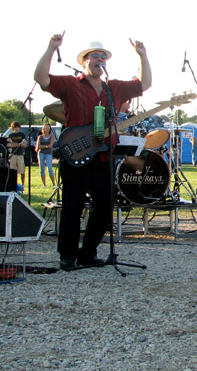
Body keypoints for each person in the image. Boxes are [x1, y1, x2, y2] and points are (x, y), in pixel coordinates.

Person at [34, 33, 152, 271]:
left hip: (103, 156)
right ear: (84, 61)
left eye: (103, 57)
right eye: (95, 56)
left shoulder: (113, 88)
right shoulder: (70, 84)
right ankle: (67, 255)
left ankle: (88, 253)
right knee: (72, 207)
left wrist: (143, 55)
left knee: (105, 207)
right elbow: (41, 78)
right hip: (75, 155)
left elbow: (145, 84)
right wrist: (51, 48)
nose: (100, 60)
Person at [35, 123, 57, 188]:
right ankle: (44, 184)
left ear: (50, 129)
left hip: (48, 153)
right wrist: (46, 146)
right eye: (45, 128)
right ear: (43, 129)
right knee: (42, 169)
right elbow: (38, 146)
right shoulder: (40, 137)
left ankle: (54, 184)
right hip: (41, 153)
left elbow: (50, 146)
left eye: (48, 128)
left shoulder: (52, 136)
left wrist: (43, 146)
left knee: (49, 168)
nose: (46, 129)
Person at [7, 121, 27, 186]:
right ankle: (13, 185)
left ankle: (22, 185)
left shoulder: (22, 135)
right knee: (12, 171)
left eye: (18, 127)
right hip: (12, 155)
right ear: (13, 128)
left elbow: (24, 145)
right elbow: (9, 145)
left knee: (22, 171)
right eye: (15, 127)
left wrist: (15, 144)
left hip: (20, 155)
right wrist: (19, 144)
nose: (16, 128)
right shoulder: (10, 135)